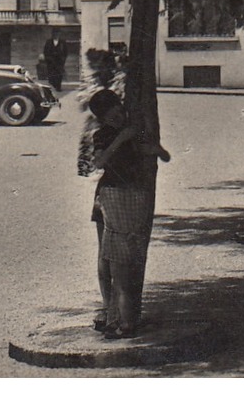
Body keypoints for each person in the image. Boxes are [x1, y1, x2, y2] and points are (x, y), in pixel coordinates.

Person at [85, 88, 170, 339]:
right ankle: (109, 310)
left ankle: (121, 314)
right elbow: (99, 163)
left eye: (119, 112)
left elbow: (151, 149)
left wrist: (156, 149)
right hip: (108, 196)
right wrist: (121, 137)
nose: (117, 117)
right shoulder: (102, 136)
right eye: (110, 115)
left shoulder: (131, 130)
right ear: (102, 118)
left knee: (122, 254)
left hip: (129, 195)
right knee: (107, 255)